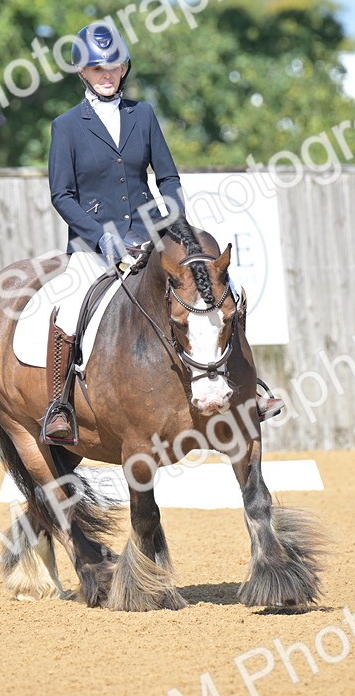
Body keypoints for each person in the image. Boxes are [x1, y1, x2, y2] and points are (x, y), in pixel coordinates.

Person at [42, 22, 281, 443]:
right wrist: (99, 236)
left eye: (114, 67)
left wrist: (173, 219)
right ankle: (60, 406)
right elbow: (62, 195)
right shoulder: (67, 126)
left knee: (219, 291)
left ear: (124, 68)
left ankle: (249, 390)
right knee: (66, 307)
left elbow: (167, 177)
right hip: (94, 245)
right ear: (82, 71)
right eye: (98, 69)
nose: (107, 75)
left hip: (150, 236)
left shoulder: (143, 114)